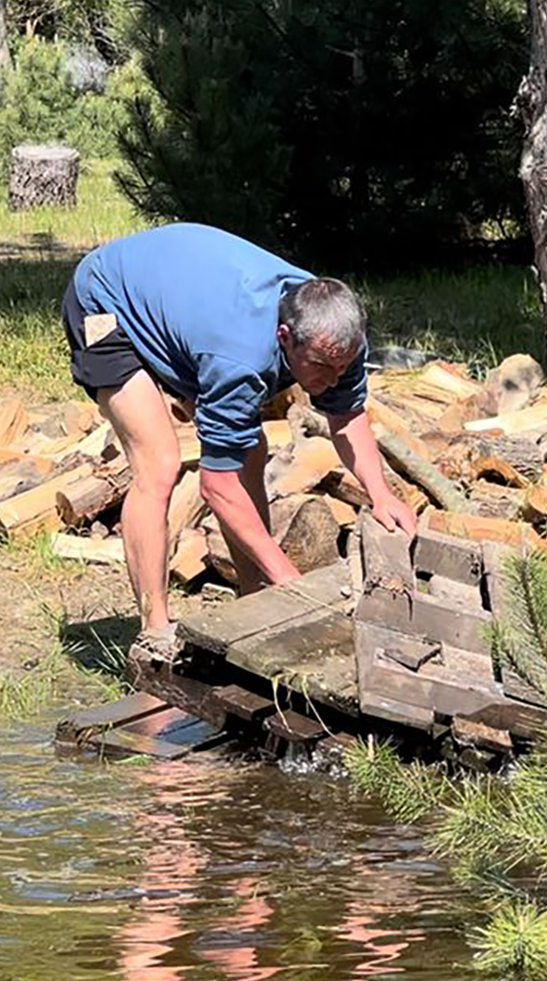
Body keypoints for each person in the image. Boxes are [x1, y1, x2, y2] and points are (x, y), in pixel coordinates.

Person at [61, 223, 417, 662]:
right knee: (159, 463)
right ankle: (154, 632)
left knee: (250, 450)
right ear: (285, 337)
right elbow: (217, 487)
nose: (331, 380)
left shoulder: (336, 339)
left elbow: (345, 415)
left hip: (185, 307)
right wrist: (290, 579)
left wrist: (380, 495)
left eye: (342, 368)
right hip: (108, 300)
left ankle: (254, 600)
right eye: (321, 368)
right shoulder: (240, 357)